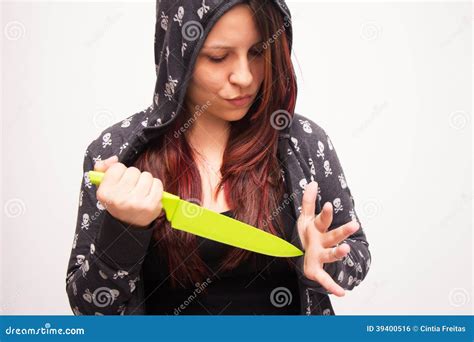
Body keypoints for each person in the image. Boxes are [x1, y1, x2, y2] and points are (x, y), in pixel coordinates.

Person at [66, 0, 371, 316]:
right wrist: (123, 229)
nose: (245, 77)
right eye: (218, 57)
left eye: (257, 52)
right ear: (178, 55)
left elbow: (357, 260)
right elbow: (90, 310)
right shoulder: (117, 153)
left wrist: (323, 256)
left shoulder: (304, 142)